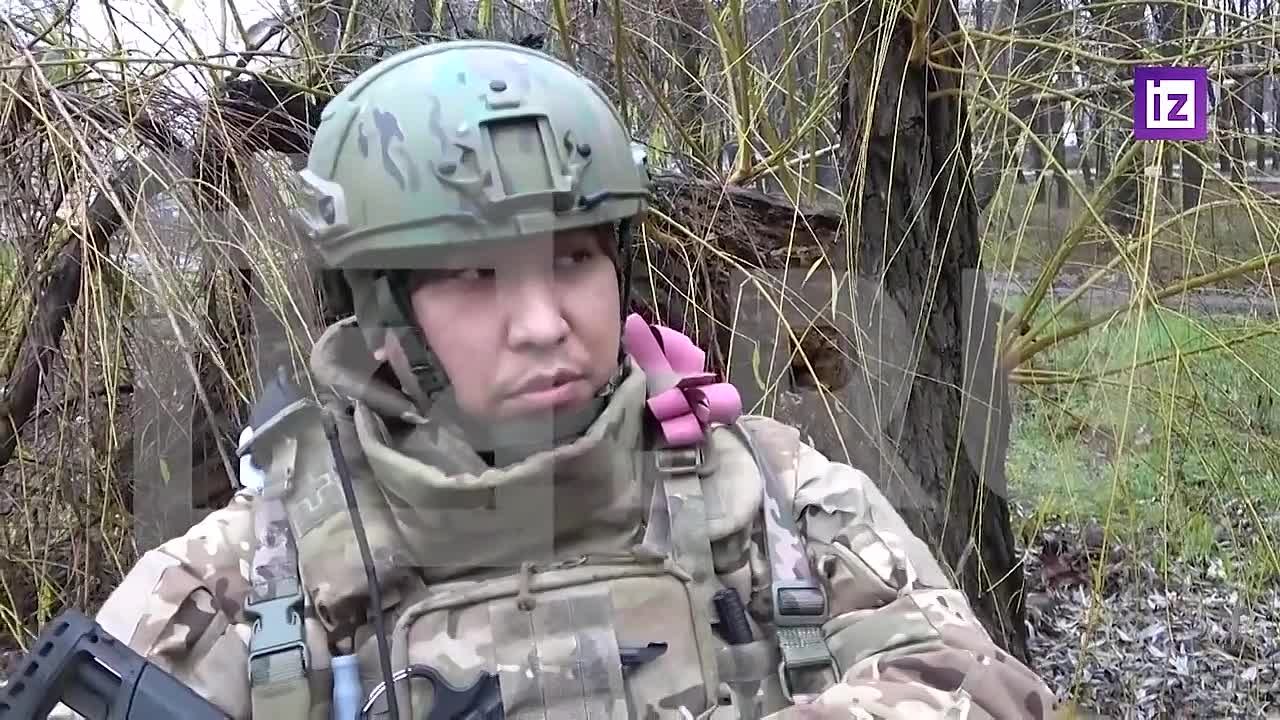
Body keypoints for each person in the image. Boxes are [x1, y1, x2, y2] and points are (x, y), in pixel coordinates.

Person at [64, 40, 1063, 720]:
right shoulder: (253, 570)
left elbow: (975, 684)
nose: (544, 322)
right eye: (474, 275)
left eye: (574, 258)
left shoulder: (770, 494)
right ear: (377, 314)